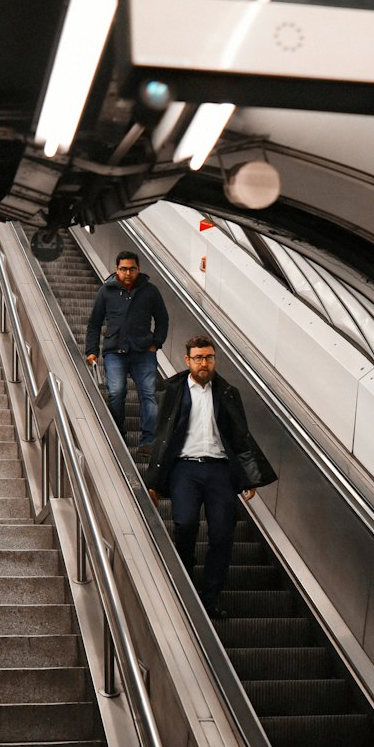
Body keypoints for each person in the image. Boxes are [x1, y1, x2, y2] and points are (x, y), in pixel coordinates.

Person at [145, 335, 276, 619]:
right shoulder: (171, 390)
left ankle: (210, 598)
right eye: (199, 358)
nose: (205, 363)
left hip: (220, 471)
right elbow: (162, 438)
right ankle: (185, 581)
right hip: (185, 468)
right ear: (187, 360)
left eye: (209, 357)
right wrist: (153, 482)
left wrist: (249, 477)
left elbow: (240, 437)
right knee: (185, 523)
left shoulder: (228, 393)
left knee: (222, 534)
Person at [84, 249, 169, 453]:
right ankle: (118, 436)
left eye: (132, 269)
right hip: (114, 352)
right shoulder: (106, 291)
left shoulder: (150, 291)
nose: (128, 273)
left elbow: (162, 319)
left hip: (143, 352)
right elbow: (94, 323)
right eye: (123, 269)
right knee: (116, 392)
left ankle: (148, 441)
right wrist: (91, 350)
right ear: (117, 269)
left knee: (148, 394)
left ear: (138, 269)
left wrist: (156, 343)